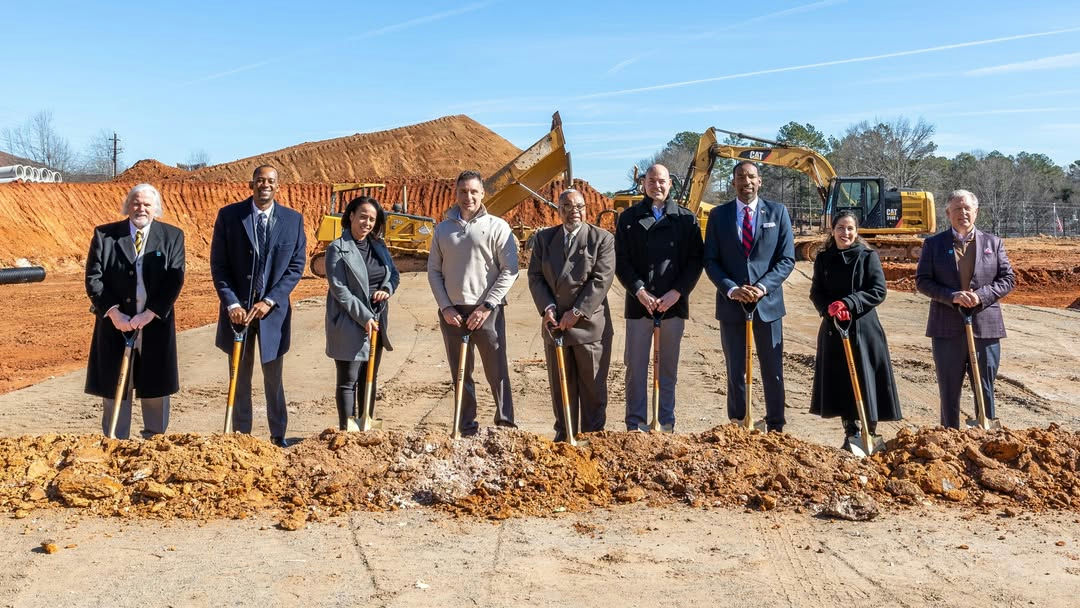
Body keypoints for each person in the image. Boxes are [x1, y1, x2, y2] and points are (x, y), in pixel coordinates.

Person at [210, 165, 306, 447]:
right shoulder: (230, 216)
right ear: (251, 184)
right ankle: (242, 438)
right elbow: (220, 265)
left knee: (273, 379)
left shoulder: (293, 220)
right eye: (260, 180)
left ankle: (278, 436)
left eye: (271, 181)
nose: (265, 184)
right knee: (239, 377)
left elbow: (296, 266)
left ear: (278, 187)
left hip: (272, 315)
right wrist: (232, 304)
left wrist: (270, 300)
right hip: (237, 315)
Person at [85, 183, 185, 439]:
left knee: (155, 385)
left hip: (154, 324)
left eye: (147, 204)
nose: (141, 208)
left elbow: (174, 281)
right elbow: (94, 279)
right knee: (116, 383)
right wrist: (114, 314)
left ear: (156, 208)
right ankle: (115, 442)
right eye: (136, 203)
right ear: (128, 205)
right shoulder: (104, 236)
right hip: (115, 324)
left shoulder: (172, 236)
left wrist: (150, 313)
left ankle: (155, 440)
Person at [703, 161, 795, 432]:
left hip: (767, 305)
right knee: (736, 368)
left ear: (760, 181)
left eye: (751, 176)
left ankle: (776, 424)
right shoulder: (719, 216)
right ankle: (739, 422)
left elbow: (786, 258)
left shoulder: (777, 213)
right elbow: (711, 260)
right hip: (732, 305)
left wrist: (763, 287)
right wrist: (731, 288)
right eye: (741, 177)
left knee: (772, 369)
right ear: (733, 182)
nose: (747, 182)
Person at [427, 170, 519, 436]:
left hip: (487, 311)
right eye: (463, 191)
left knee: (497, 369)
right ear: (456, 193)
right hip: (453, 313)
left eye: (474, 191)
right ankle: (465, 425)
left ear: (482, 194)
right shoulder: (443, 229)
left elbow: (509, 270)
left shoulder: (497, 227)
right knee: (460, 373)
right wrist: (445, 307)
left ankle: (505, 423)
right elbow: (434, 270)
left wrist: (487, 305)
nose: (468, 197)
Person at [614, 164, 704, 432]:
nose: (657, 185)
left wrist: (676, 292)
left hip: (672, 307)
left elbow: (694, 261)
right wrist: (640, 291)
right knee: (636, 369)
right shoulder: (628, 218)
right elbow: (621, 261)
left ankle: (665, 423)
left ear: (670, 184)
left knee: (667, 371)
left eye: (662, 181)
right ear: (644, 184)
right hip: (640, 305)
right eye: (651, 181)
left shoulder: (686, 220)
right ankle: (636, 425)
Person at [915, 189, 1015, 429]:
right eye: (957, 209)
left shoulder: (993, 243)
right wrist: (953, 297)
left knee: (985, 386)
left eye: (967, 208)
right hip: (946, 329)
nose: (963, 213)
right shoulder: (933, 244)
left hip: (985, 328)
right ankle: (950, 437)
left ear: (976, 212)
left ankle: (986, 433)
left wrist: (979, 296)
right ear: (948, 213)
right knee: (949, 388)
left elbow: (1007, 279)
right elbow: (923, 281)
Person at [528, 188, 616, 441]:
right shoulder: (545, 239)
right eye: (567, 206)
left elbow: (601, 280)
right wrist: (548, 308)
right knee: (561, 388)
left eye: (579, 206)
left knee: (592, 390)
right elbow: (535, 277)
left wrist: (576, 312)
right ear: (559, 210)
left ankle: (593, 439)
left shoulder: (602, 239)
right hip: (555, 325)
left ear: (586, 210)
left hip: (588, 327)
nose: (573, 211)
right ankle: (564, 437)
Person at [808, 211, 902, 448]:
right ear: (832, 230)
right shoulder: (823, 259)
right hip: (834, 328)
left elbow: (878, 290)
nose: (845, 233)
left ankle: (869, 432)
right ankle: (851, 434)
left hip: (864, 328)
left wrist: (849, 303)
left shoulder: (867, 256)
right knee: (842, 381)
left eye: (850, 228)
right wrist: (828, 309)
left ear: (857, 231)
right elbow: (816, 292)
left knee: (866, 378)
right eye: (841, 228)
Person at [324, 196, 400, 430]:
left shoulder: (379, 246)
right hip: (349, 319)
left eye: (372, 219)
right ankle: (347, 432)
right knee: (349, 380)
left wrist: (386, 289)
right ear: (351, 216)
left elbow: (393, 275)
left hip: (376, 320)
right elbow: (340, 290)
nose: (367, 223)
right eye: (363, 217)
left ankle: (365, 425)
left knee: (369, 376)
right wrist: (364, 316)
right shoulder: (337, 248)